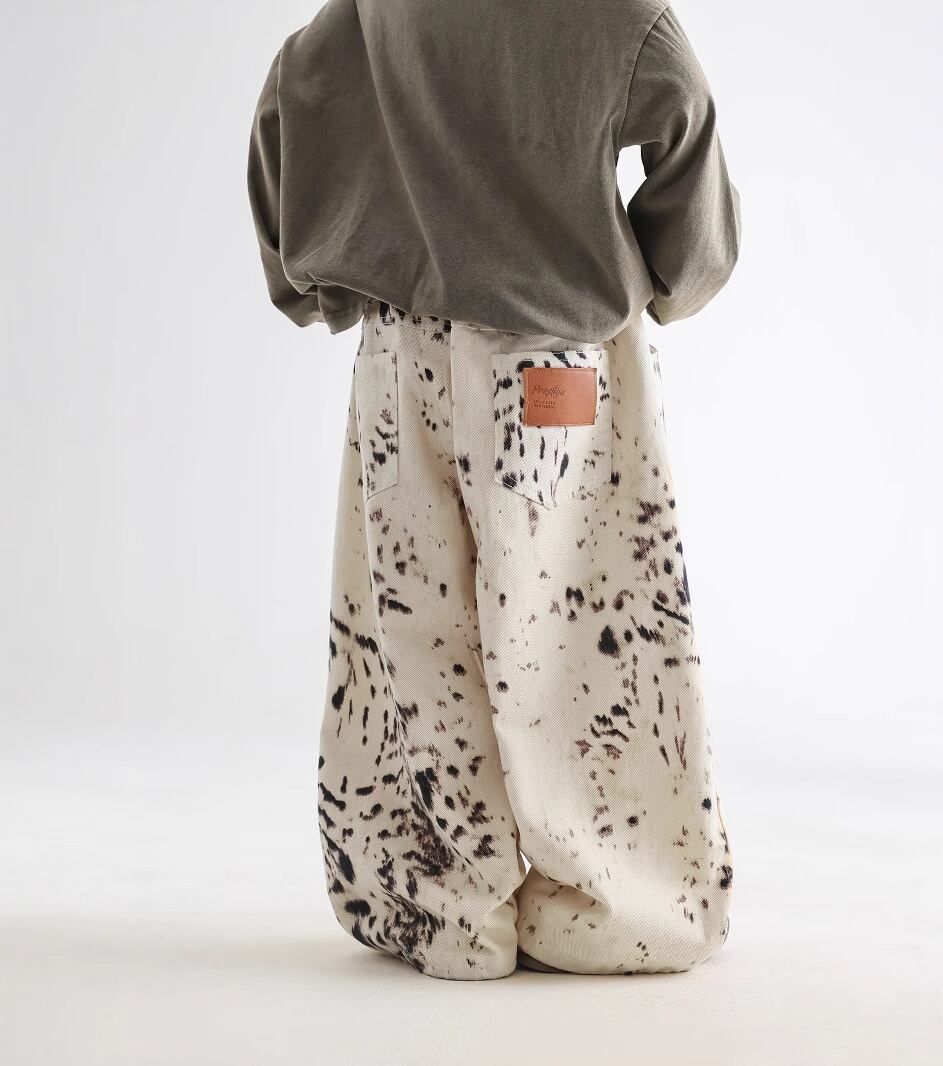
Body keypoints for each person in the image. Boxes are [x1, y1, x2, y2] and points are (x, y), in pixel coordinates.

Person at [248, 0, 740, 980]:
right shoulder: (618, 13)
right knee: (574, 638)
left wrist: (309, 280)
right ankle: (609, 906)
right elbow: (684, 121)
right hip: (556, 356)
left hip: (401, 355)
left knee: (413, 631)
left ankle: (445, 911)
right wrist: (676, 274)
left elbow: (285, 104)